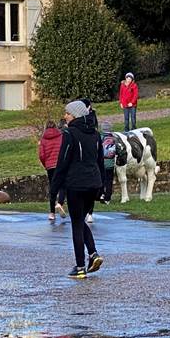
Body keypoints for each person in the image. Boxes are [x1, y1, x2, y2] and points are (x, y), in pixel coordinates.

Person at [50, 101, 104, 278]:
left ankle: (80, 267)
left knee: (76, 225)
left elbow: (62, 161)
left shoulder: (70, 133)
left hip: (76, 183)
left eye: (67, 113)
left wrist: (54, 188)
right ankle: (93, 254)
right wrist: (103, 186)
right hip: (94, 183)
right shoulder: (95, 134)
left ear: (75, 115)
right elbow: (100, 162)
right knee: (80, 220)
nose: (65, 116)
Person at [38, 120, 65, 222]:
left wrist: (46, 164)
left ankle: (52, 213)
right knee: (63, 185)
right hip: (60, 164)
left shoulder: (43, 139)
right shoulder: (60, 136)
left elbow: (41, 155)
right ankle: (60, 203)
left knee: (53, 188)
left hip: (50, 166)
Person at [100, 121, 117, 204]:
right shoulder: (114, 138)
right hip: (110, 163)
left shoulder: (100, 137)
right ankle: (108, 198)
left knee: (101, 180)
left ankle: (102, 194)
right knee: (109, 181)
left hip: (101, 163)